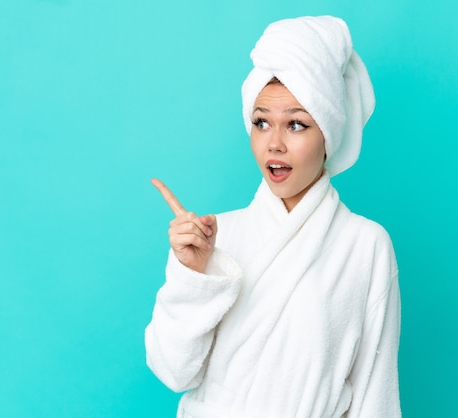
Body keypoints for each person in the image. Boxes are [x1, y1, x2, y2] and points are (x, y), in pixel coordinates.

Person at [145, 15, 401, 418]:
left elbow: (376, 391)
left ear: (329, 134)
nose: (274, 144)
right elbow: (174, 372)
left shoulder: (365, 244)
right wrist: (191, 277)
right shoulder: (213, 237)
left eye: (297, 124)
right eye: (261, 122)